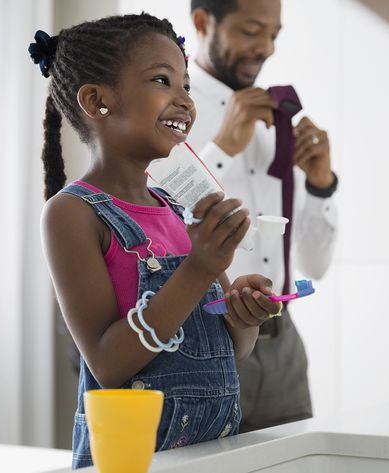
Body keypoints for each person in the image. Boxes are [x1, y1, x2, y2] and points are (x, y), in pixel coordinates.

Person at [29, 12, 281, 469]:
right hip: (130, 459)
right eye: (163, 81)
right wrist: (199, 269)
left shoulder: (179, 206)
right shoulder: (72, 213)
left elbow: (233, 347)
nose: (185, 100)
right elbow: (108, 363)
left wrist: (244, 315)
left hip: (212, 455)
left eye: (186, 85)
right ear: (97, 100)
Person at [188, 0, 338, 432]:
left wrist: (320, 185)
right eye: (252, 30)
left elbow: (315, 264)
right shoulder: (168, 113)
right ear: (203, 23)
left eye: (274, 34)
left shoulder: (278, 124)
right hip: (206, 338)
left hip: (284, 340)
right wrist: (221, 150)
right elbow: (156, 222)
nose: (266, 48)